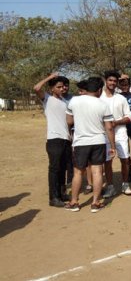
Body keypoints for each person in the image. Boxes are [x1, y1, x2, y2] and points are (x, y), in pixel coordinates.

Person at [65, 77, 116, 212]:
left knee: (78, 173)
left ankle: (74, 202)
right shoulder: (103, 105)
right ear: (99, 90)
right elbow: (109, 128)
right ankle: (95, 202)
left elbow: (69, 121)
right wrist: (113, 146)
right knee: (98, 172)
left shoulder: (74, 100)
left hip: (81, 142)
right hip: (98, 141)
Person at [33, 73, 72, 207]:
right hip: (54, 139)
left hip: (65, 139)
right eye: (58, 87)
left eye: (63, 86)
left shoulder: (64, 102)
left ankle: (62, 194)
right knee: (54, 169)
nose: (62, 89)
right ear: (52, 89)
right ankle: (53, 198)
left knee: (63, 168)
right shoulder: (47, 99)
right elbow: (37, 88)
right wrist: (49, 77)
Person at [100, 70, 131, 197]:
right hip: (104, 134)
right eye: (110, 80)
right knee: (107, 161)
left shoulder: (121, 98)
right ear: (105, 81)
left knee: (125, 159)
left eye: (115, 81)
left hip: (120, 133)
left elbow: (129, 117)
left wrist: (116, 123)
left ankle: (125, 184)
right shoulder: (99, 98)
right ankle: (110, 187)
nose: (112, 83)